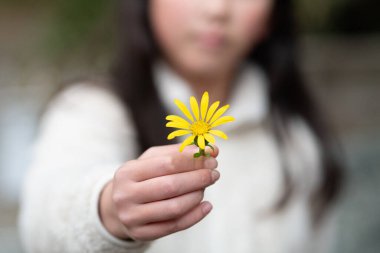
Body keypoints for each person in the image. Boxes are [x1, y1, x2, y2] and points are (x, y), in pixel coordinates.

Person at [19, 0, 343, 252]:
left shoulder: (297, 139)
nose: (217, 9)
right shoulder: (92, 110)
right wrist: (108, 208)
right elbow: (42, 219)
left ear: (272, 15)